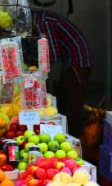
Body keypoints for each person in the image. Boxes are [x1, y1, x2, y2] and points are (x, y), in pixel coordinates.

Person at [31, 9, 93, 138]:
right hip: (70, 62)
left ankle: (76, 143)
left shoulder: (42, 22)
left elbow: (51, 54)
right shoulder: (39, 18)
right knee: (67, 104)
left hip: (78, 62)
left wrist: (32, 66)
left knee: (72, 107)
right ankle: (70, 137)